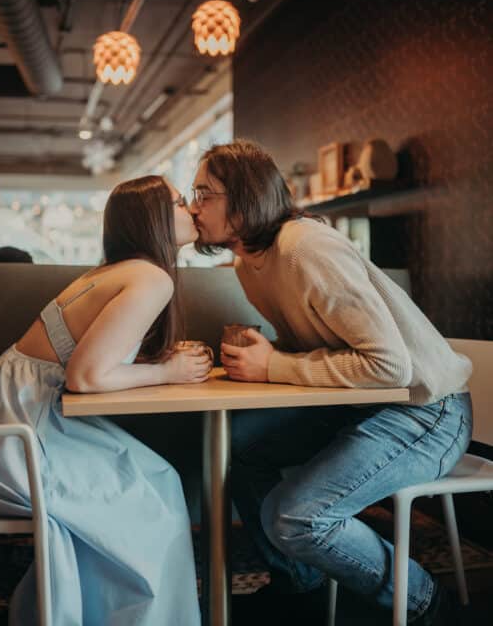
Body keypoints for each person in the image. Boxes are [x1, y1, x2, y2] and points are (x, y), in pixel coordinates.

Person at [190, 140, 472, 626]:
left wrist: (273, 366)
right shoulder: (249, 263)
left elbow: (389, 366)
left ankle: (427, 604)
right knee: (232, 449)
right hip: (364, 404)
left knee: (293, 515)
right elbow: (320, 339)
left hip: (427, 411)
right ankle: (302, 586)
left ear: (245, 198)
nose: (193, 207)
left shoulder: (305, 247)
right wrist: (270, 355)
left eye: (203, 193)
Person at [0, 176, 211, 626]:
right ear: (152, 218)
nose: (191, 208)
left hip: (0, 423)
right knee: (156, 494)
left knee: (158, 479)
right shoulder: (151, 277)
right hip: (17, 439)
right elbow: (86, 376)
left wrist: (160, 362)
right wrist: (167, 372)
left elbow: (87, 361)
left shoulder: (111, 271)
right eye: (178, 201)